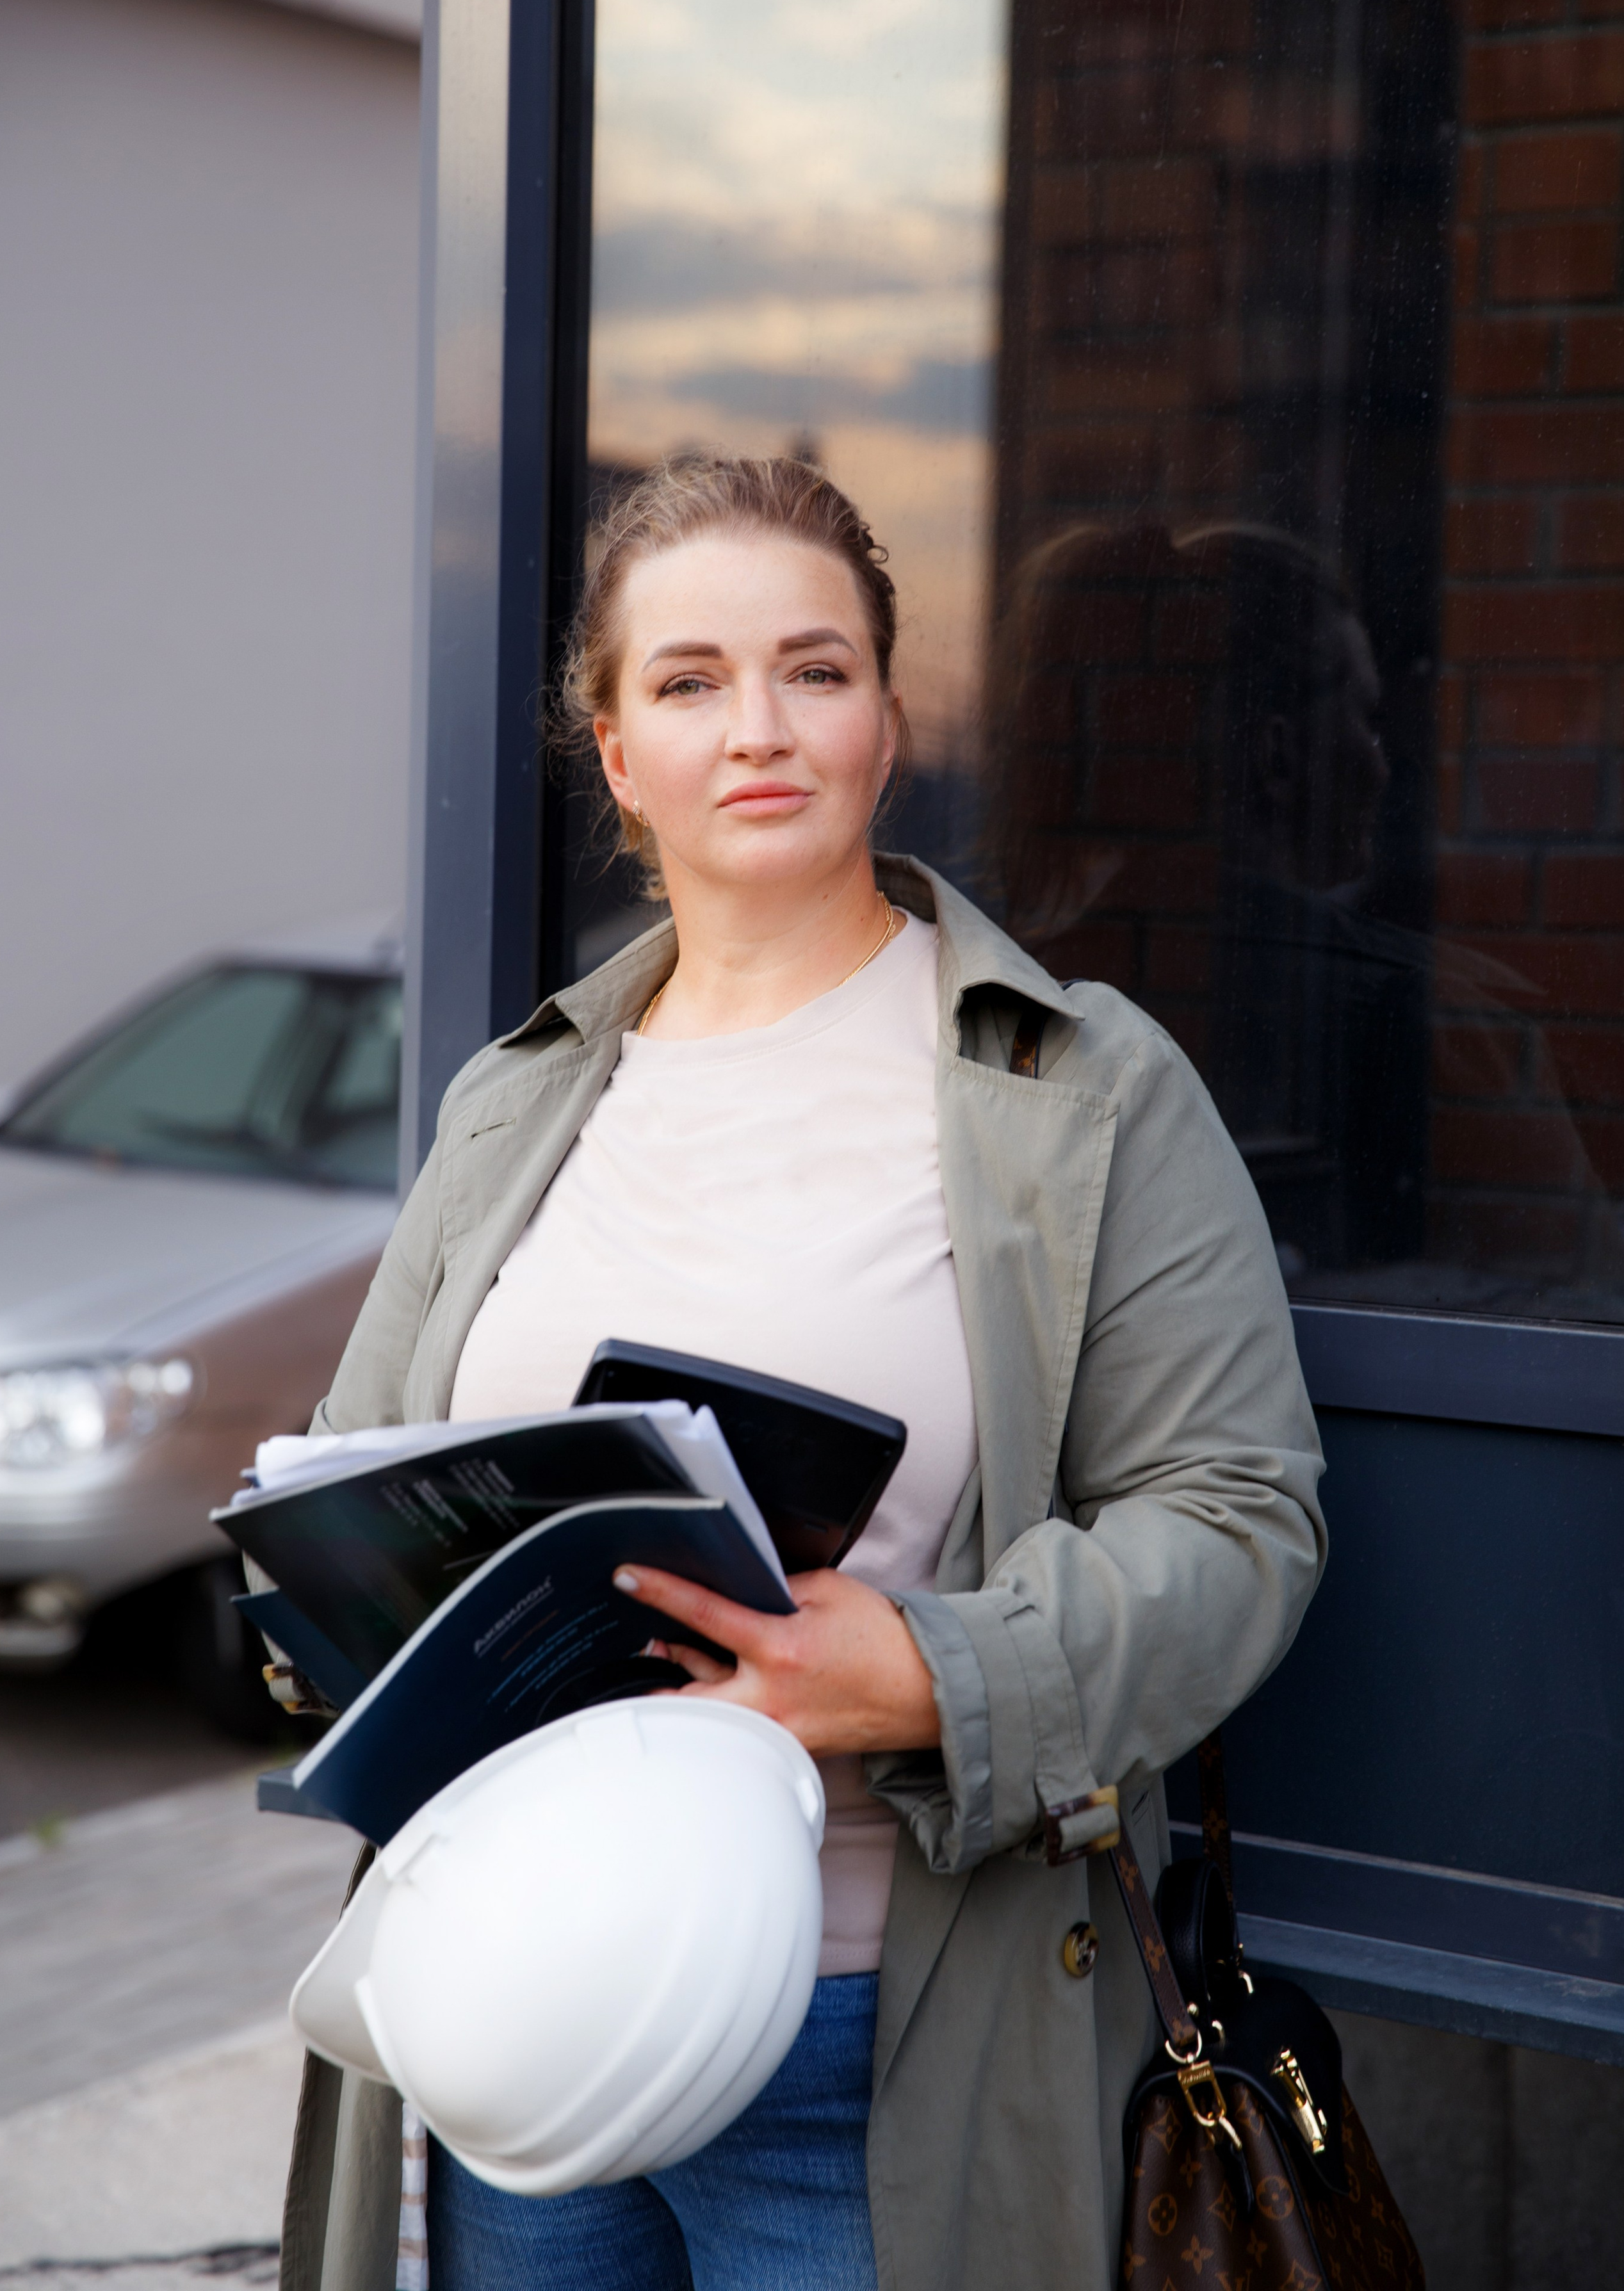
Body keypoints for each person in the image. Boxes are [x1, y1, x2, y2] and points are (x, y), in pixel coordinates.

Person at [283, 455, 1327, 2291]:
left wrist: (932, 1670)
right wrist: (341, 1615)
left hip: (872, 2034)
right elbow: (356, 1468)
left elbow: (1242, 1520)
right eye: (688, 682)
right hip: (520, 1993)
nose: (757, 727)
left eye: (814, 669)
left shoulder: (1076, 1086)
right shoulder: (516, 1096)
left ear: (890, 722)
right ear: (617, 756)